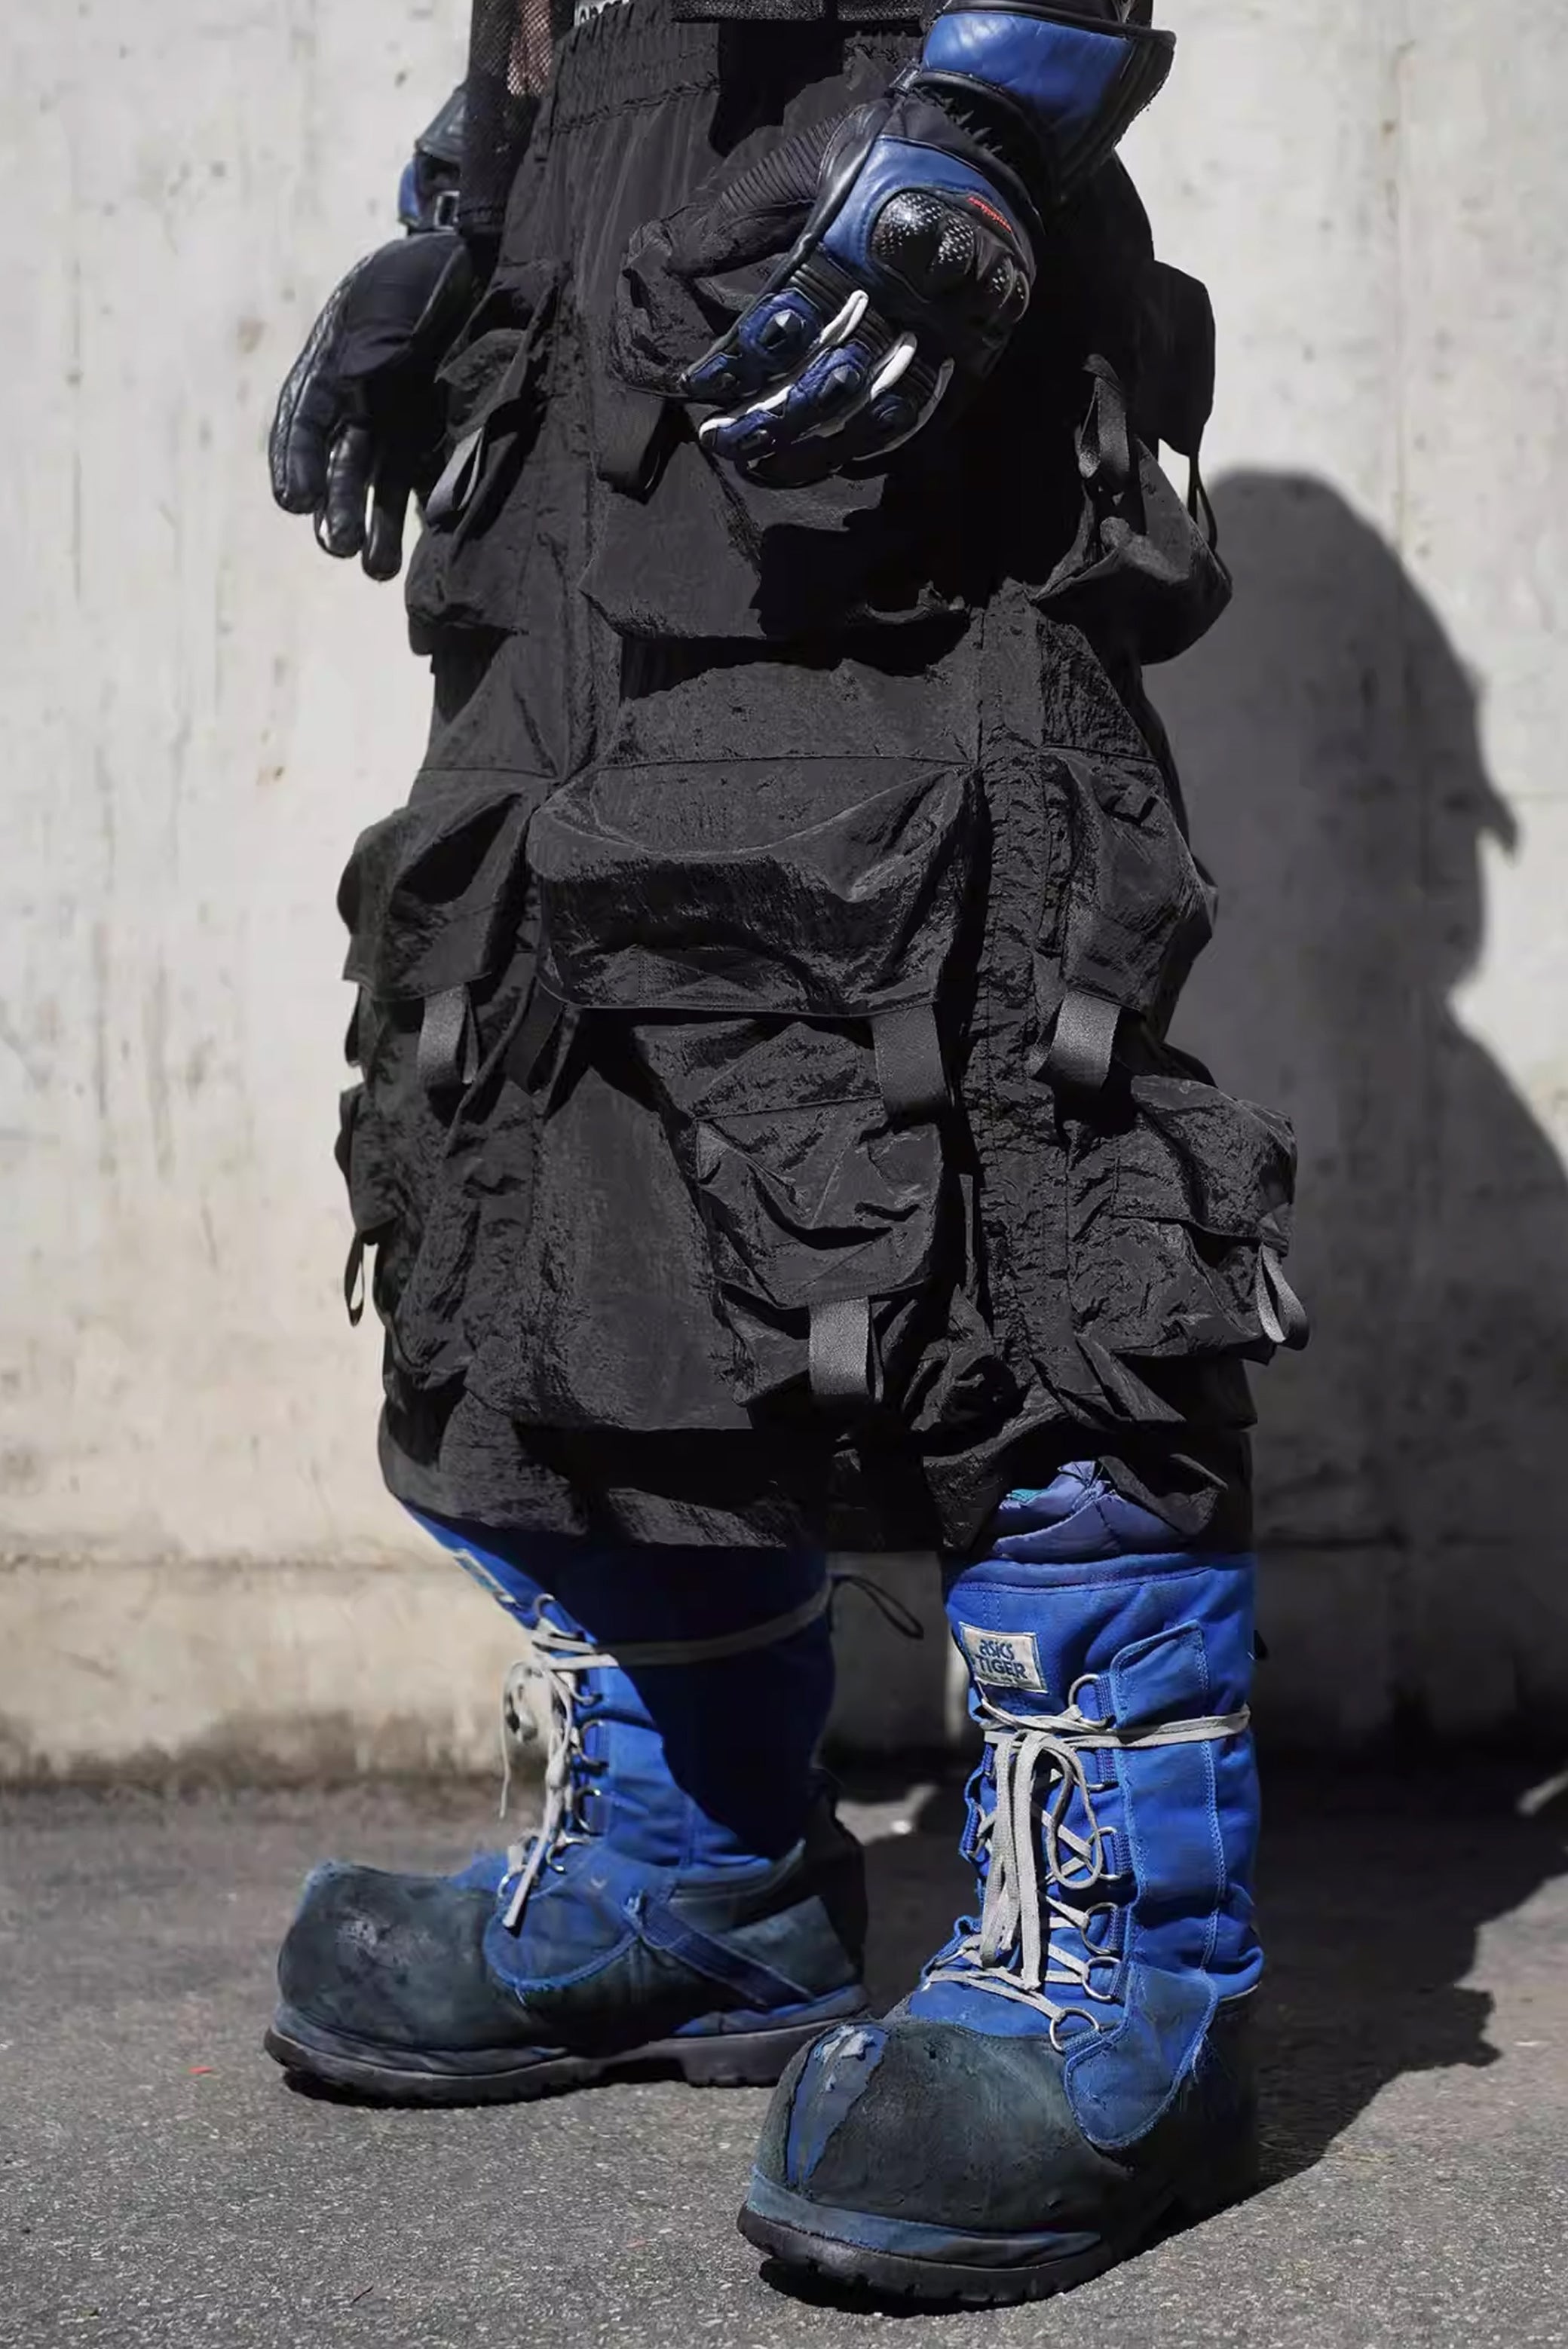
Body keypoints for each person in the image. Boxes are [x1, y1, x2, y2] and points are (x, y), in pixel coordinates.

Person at [264, 0, 1307, 2303]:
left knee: (978, 1078)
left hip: (868, 206)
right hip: (579, 274)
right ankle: (690, 1865)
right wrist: (465, 204)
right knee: (536, 1063)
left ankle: (1127, 1968)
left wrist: (997, 104)